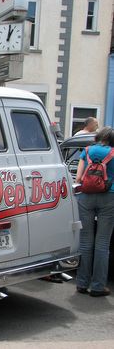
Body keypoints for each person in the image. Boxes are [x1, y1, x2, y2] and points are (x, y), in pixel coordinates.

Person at [75, 126, 114, 297]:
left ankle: (82, 283)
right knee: (103, 244)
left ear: (98, 136)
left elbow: (78, 178)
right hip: (109, 198)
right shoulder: (113, 153)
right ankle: (98, 286)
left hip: (86, 197)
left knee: (85, 242)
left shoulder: (87, 150)